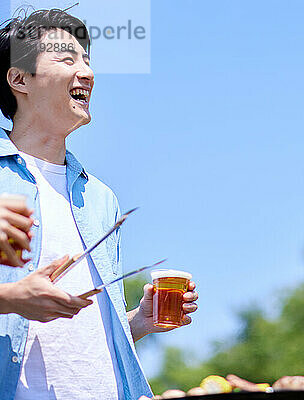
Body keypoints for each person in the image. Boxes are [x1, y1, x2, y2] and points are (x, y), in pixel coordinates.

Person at [0, 9, 198, 400]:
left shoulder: (100, 198)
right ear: (19, 78)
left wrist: (138, 323)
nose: (87, 73)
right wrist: (10, 299)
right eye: (67, 59)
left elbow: (82, 337)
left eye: (87, 61)